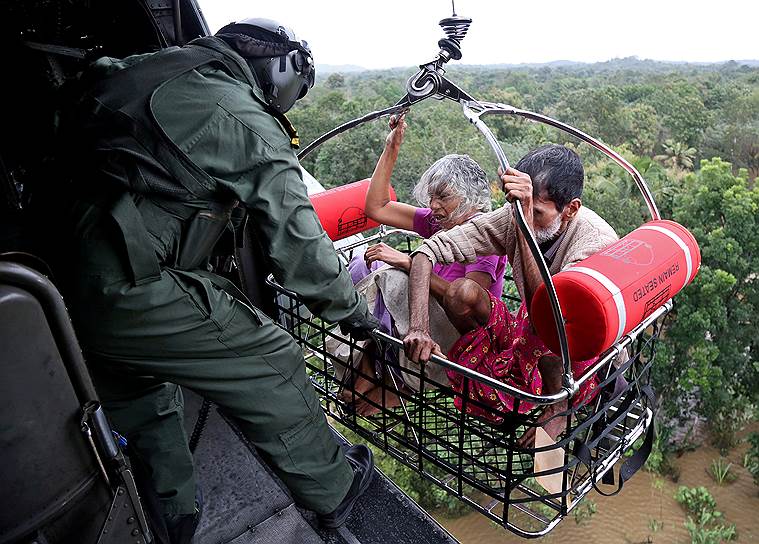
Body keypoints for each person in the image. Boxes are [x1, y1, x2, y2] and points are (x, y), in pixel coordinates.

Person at [58, 18, 376, 542]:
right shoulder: (241, 116)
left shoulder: (140, 70)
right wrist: (356, 316)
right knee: (270, 361)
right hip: (124, 283)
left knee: (143, 391)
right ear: (284, 69)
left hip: (57, 277)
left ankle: (171, 512)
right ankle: (337, 492)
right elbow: (303, 251)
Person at [403, 144, 618, 445]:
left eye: (538, 212)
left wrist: (525, 227)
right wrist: (418, 328)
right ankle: (488, 363)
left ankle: (559, 404)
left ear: (570, 209)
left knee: (553, 335)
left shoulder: (594, 242)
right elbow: (428, 251)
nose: (522, 216)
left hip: (573, 343)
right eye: (517, 208)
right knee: (460, 292)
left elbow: (554, 318)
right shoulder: (515, 215)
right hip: (532, 324)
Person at [341, 113, 508, 415]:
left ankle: (396, 384)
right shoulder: (439, 224)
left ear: (470, 197)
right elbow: (376, 207)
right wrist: (391, 148)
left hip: (453, 336)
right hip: (417, 319)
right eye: (431, 197)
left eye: (442, 196)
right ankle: (374, 351)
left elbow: (466, 302)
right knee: (361, 261)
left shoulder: (485, 239)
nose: (433, 206)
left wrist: (407, 263)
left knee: (390, 272)